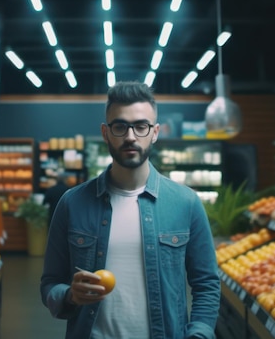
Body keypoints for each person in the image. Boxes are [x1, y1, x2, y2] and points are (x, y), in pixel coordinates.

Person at [40, 81, 221, 339]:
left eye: (141, 126)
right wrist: (69, 295)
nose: (130, 136)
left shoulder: (186, 203)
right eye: (120, 126)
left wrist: (199, 334)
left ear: (155, 132)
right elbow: (49, 284)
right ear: (105, 132)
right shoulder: (72, 203)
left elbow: (207, 285)